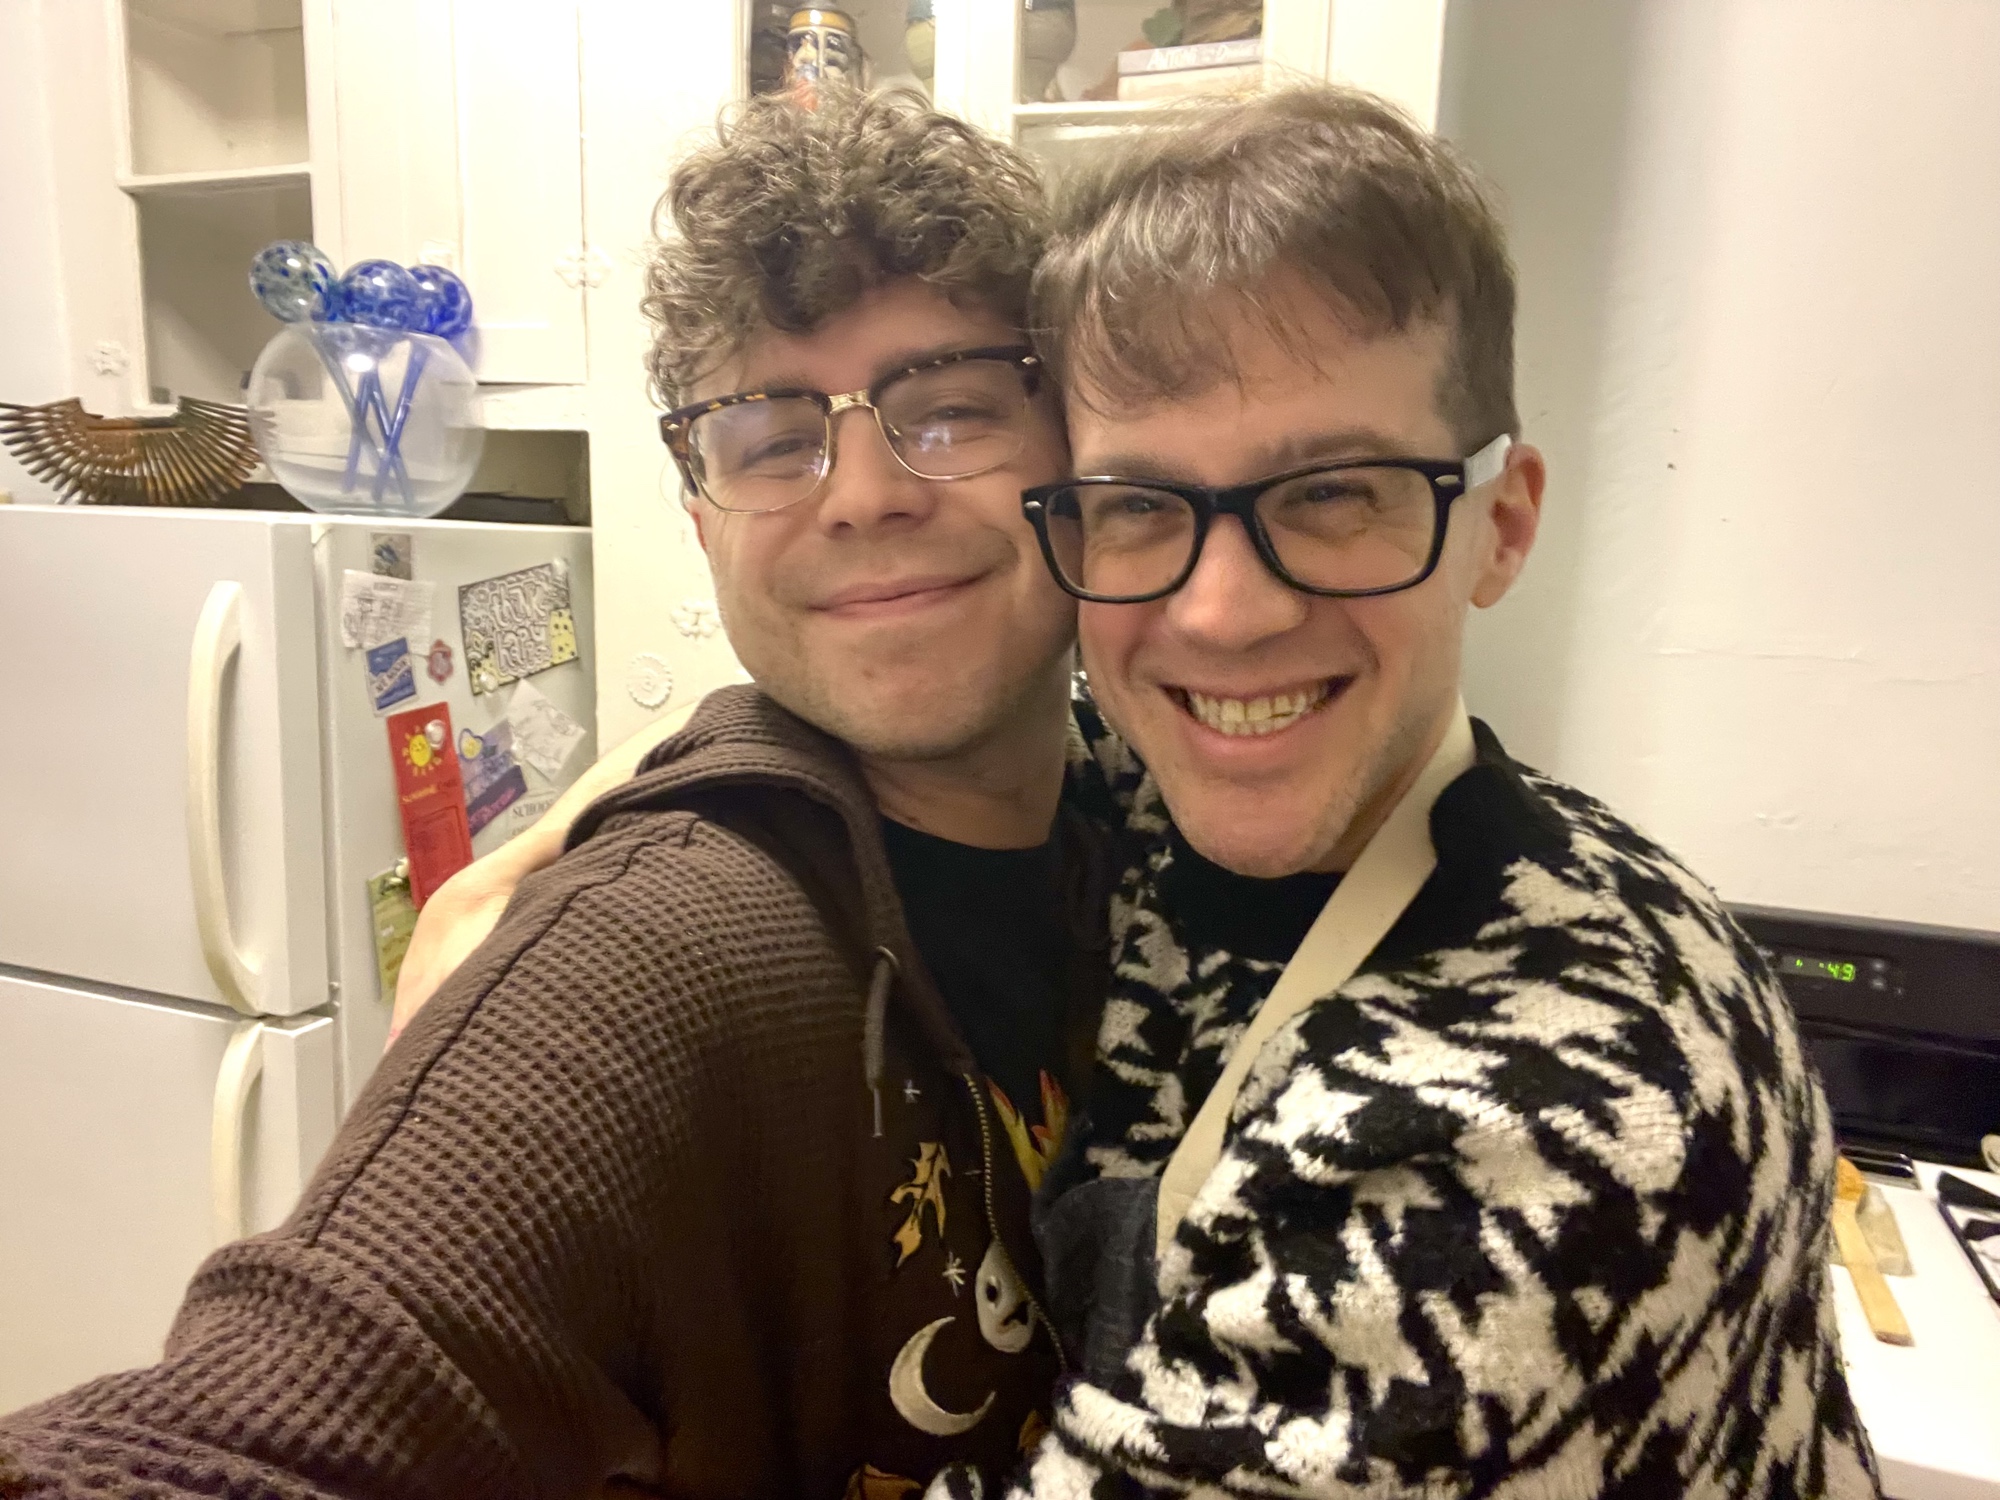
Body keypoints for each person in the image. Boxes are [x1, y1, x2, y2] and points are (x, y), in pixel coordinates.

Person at [403, 88, 1882, 1500]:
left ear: (1501, 523)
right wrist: (552, 851)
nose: (1222, 615)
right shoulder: (1161, 792)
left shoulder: (1523, 1128)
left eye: (1331, 493)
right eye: (1143, 507)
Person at [0, 88, 1107, 1497]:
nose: (861, 494)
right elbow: (248, 1431)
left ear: (1088, 463)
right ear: (701, 516)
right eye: (773, 438)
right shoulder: (663, 945)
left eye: (948, 411)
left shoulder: (1137, 826)